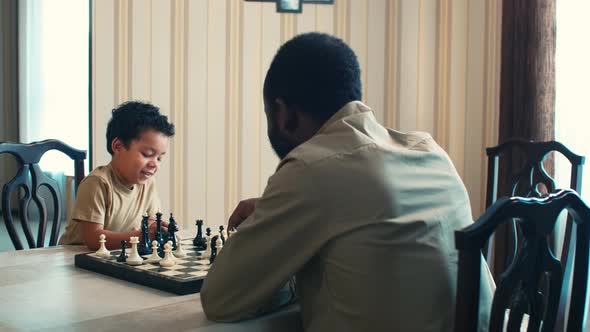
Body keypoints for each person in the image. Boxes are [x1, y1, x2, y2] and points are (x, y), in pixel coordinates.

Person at [200, 32, 493, 331]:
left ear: (283, 112)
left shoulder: (310, 169)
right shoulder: (430, 151)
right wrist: (278, 210)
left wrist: (266, 223)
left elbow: (219, 299)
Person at [59, 101, 175, 250]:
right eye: (147, 154)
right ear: (118, 146)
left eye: (159, 158)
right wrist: (142, 237)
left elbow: (150, 222)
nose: (154, 164)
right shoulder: (97, 183)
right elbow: (94, 239)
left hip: (116, 257)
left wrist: (158, 229)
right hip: (76, 259)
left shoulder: (148, 183)